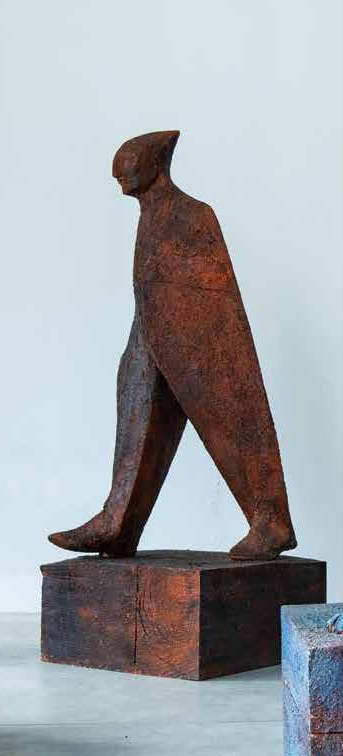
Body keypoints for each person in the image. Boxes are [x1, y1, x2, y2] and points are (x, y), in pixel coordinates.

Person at [50, 129, 295, 562]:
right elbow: (153, 291)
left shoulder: (193, 215)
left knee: (228, 413)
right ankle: (118, 522)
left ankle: (270, 520)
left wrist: (182, 341)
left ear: (154, 165)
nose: (120, 175)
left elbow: (207, 296)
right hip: (153, 335)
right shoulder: (152, 217)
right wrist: (141, 345)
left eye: (128, 163)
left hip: (196, 338)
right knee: (137, 409)